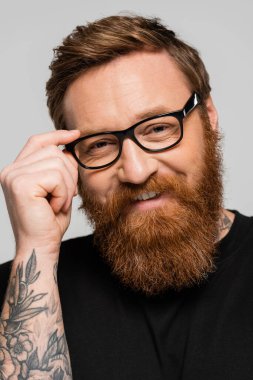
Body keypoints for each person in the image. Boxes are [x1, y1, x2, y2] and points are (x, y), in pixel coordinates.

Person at [0, 14, 252, 380]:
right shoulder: (15, 302)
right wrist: (35, 249)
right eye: (100, 144)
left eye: (159, 127)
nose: (135, 171)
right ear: (69, 157)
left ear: (209, 118)